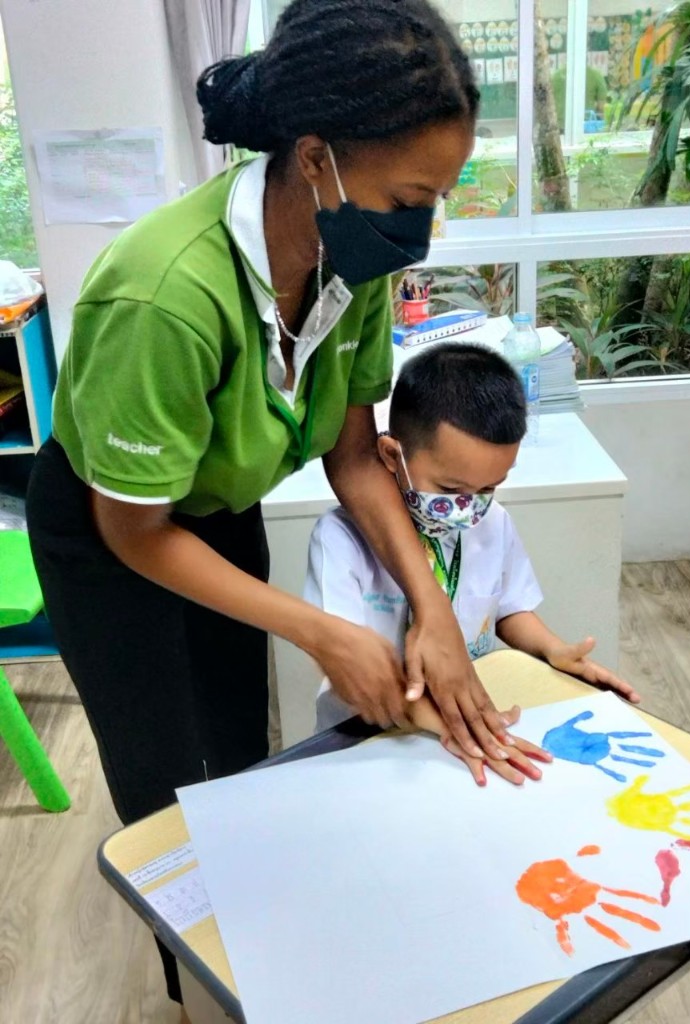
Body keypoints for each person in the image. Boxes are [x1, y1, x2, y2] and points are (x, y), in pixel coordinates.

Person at [25, 0, 518, 1009]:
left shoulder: (352, 260)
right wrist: (326, 632)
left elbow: (353, 455)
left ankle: (268, 945)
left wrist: (434, 619)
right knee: (161, 772)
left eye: (438, 198)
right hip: (109, 531)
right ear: (314, 160)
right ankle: (194, 981)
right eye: (409, 195)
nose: (418, 227)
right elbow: (135, 530)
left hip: (213, 508)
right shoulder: (164, 292)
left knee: (238, 744)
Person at [305, 343, 639, 785]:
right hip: (365, 743)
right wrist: (451, 727)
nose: (468, 507)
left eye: (489, 488)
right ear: (391, 456)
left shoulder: (492, 524)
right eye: (450, 487)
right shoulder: (340, 540)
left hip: (467, 729)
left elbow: (509, 610)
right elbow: (347, 669)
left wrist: (551, 649)